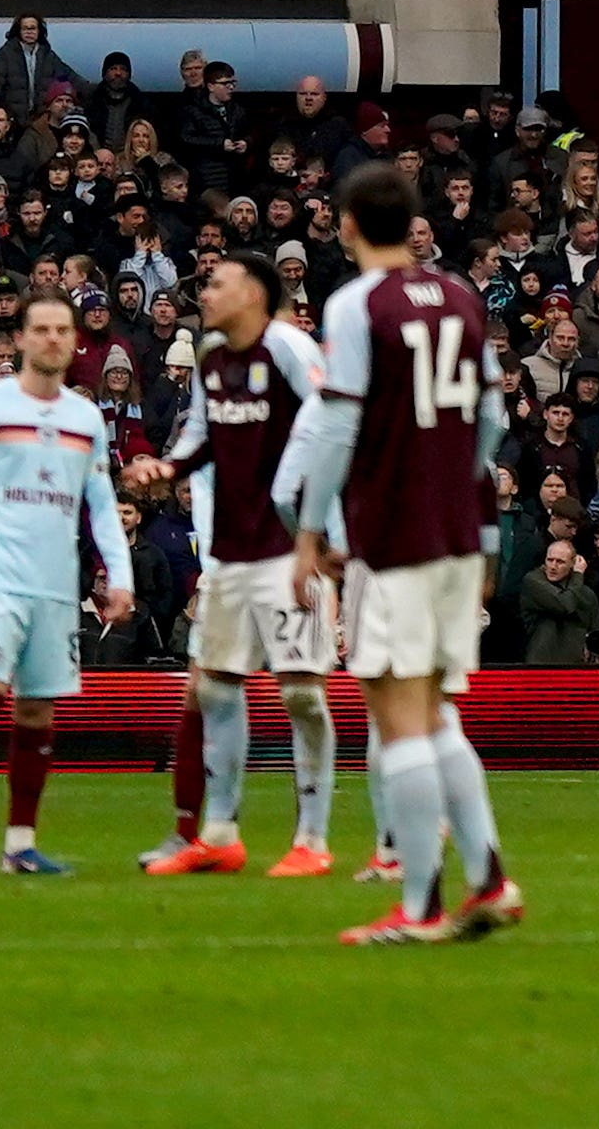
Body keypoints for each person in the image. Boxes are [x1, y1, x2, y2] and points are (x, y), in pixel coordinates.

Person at [278, 158, 521, 944]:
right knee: (436, 711)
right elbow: (492, 416)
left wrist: (312, 531)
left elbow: (342, 422)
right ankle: (488, 880)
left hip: (394, 531)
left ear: (347, 227)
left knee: (396, 714)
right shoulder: (459, 295)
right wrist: (458, 480)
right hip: (452, 531)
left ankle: (420, 905)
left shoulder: (357, 304)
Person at [146, 252, 344, 880]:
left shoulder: (286, 347)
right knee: (215, 687)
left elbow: (334, 419)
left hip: (288, 550)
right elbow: (203, 435)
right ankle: (220, 834)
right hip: (230, 553)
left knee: (302, 695)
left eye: (217, 284)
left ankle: (311, 838)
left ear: (255, 293)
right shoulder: (211, 356)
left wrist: (321, 534)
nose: (204, 293)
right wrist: (169, 468)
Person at [0, 292, 137, 874]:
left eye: (62, 330)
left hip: (55, 587)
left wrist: (117, 577)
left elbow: (102, 502)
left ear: (76, 342)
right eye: (40, 329)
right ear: (19, 339)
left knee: (36, 715)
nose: (52, 339)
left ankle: (19, 845)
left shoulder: (83, 417)